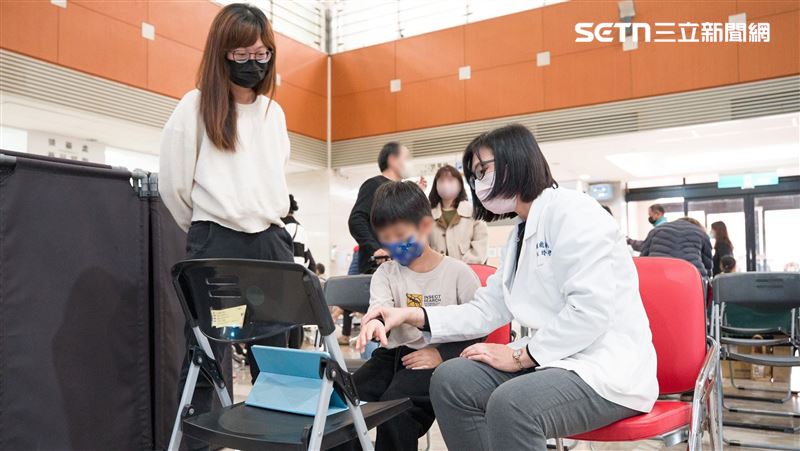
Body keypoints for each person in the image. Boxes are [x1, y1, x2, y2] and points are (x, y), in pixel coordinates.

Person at [356, 124, 657, 451]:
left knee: (510, 403)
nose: (477, 183)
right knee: (451, 379)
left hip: (602, 368)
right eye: (474, 175)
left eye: (482, 170)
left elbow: (590, 312)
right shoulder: (520, 235)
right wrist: (412, 315)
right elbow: (486, 308)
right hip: (554, 360)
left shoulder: (576, 213)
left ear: (516, 161)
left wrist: (521, 355)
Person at [158, 5, 292, 448]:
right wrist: (210, 228)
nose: (254, 63)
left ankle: (277, 441)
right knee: (207, 357)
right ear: (221, 54)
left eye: (262, 53)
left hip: (270, 247)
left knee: (277, 361)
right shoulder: (194, 107)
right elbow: (175, 187)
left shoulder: (273, 113)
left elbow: (276, 180)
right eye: (242, 54)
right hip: (217, 250)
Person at [335, 181, 482, 451]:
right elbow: (380, 310)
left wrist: (442, 355)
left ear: (425, 225)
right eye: (385, 239)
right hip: (392, 355)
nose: (393, 245)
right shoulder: (386, 273)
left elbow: (479, 327)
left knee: (395, 410)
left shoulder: (458, 274)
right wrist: (375, 324)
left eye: (400, 236)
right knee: (341, 401)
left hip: (441, 359)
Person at [428, 164, 488, 263]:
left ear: (460, 185)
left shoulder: (474, 212)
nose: (445, 184)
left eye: (450, 180)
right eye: (441, 181)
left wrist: (459, 266)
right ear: (436, 185)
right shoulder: (427, 214)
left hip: (467, 270)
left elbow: (480, 249)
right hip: (436, 271)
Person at [640, 217, 713, 278]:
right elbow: (707, 265)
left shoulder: (656, 230)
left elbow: (643, 258)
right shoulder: (701, 233)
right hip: (691, 278)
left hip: (659, 275)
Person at [282, 194, 316, 271]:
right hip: (299, 273)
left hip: (287, 273)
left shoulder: (283, 228)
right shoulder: (300, 228)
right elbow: (307, 260)